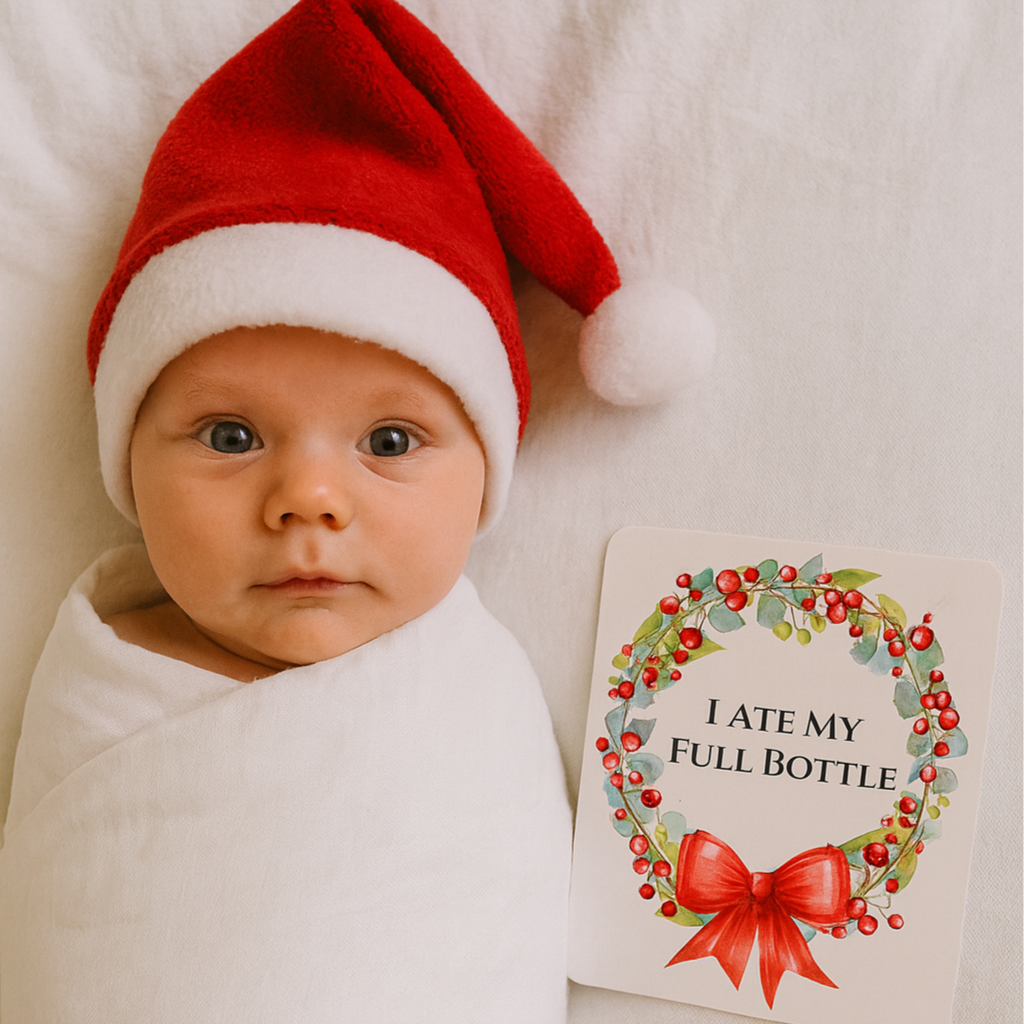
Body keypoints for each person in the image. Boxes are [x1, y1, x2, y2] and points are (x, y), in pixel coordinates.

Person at [0, 0, 713, 1019]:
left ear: (483, 478)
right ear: (123, 463)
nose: (309, 500)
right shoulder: (99, 685)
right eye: (231, 437)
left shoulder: (471, 704)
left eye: (388, 443)